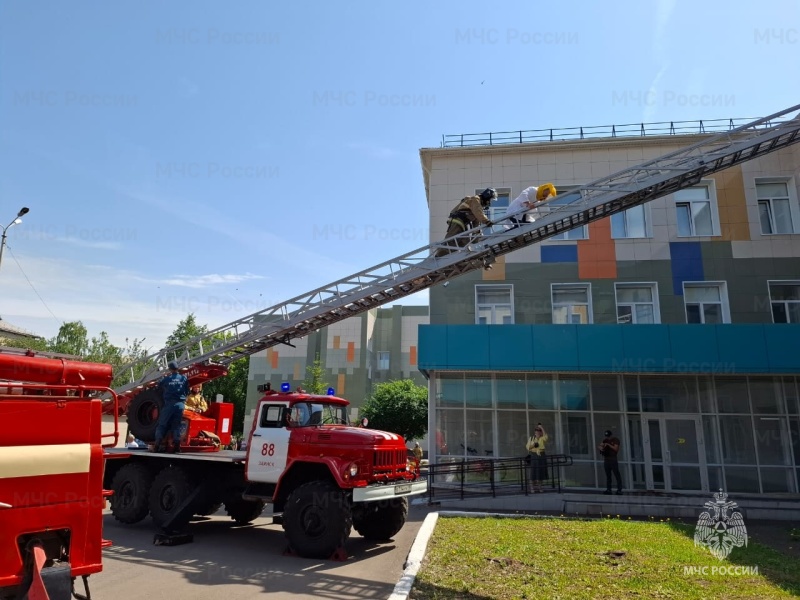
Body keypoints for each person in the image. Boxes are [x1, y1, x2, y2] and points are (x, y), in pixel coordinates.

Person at [435, 188, 497, 261]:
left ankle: (453, 260)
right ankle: (438, 257)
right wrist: (486, 221)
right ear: (487, 197)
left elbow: (476, 227)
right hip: (457, 221)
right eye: (490, 200)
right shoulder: (475, 200)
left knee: (465, 244)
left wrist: (476, 243)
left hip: (463, 225)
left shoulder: (477, 208)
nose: (490, 202)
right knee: (451, 240)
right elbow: (478, 213)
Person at [153, 360, 189, 453]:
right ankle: (177, 446)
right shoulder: (184, 378)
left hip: (170, 404)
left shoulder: (167, 379)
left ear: (170, 369)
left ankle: (157, 445)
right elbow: (187, 391)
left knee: (162, 424)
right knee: (176, 425)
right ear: (178, 368)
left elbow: (158, 385)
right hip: (180, 404)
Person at [525, 423, 549, 493]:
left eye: (539, 431)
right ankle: (532, 487)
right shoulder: (531, 438)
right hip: (534, 455)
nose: (537, 432)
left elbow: (546, 437)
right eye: (536, 431)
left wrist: (541, 427)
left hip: (541, 455)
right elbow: (528, 447)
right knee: (533, 472)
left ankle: (540, 487)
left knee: (541, 471)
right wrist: (533, 445)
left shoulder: (542, 438)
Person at [599, 429, 623, 495]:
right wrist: (601, 447)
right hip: (606, 459)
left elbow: (616, 449)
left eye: (608, 436)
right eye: (607, 436)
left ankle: (619, 490)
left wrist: (608, 445)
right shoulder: (605, 440)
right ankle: (609, 489)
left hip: (613, 459)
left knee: (617, 474)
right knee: (608, 475)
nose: (608, 437)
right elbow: (600, 447)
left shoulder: (615, 440)